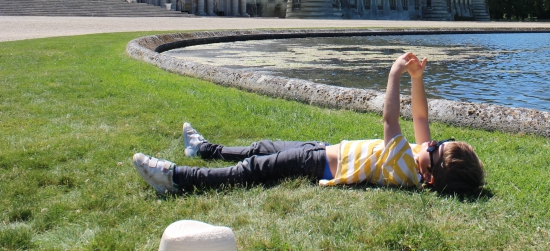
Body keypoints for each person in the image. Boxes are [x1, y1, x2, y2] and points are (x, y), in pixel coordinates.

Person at [133, 52, 485, 196]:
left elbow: (390, 119)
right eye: (441, 141)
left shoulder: (405, 166)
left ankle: (178, 178)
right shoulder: (420, 158)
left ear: (429, 176)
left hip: (319, 164)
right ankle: (205, 149)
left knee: (255, 168)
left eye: (436, 149)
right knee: (263, 147)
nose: (433, 143)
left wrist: (394, 75)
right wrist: (418, 78)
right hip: (323, 150)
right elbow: (421, 116)